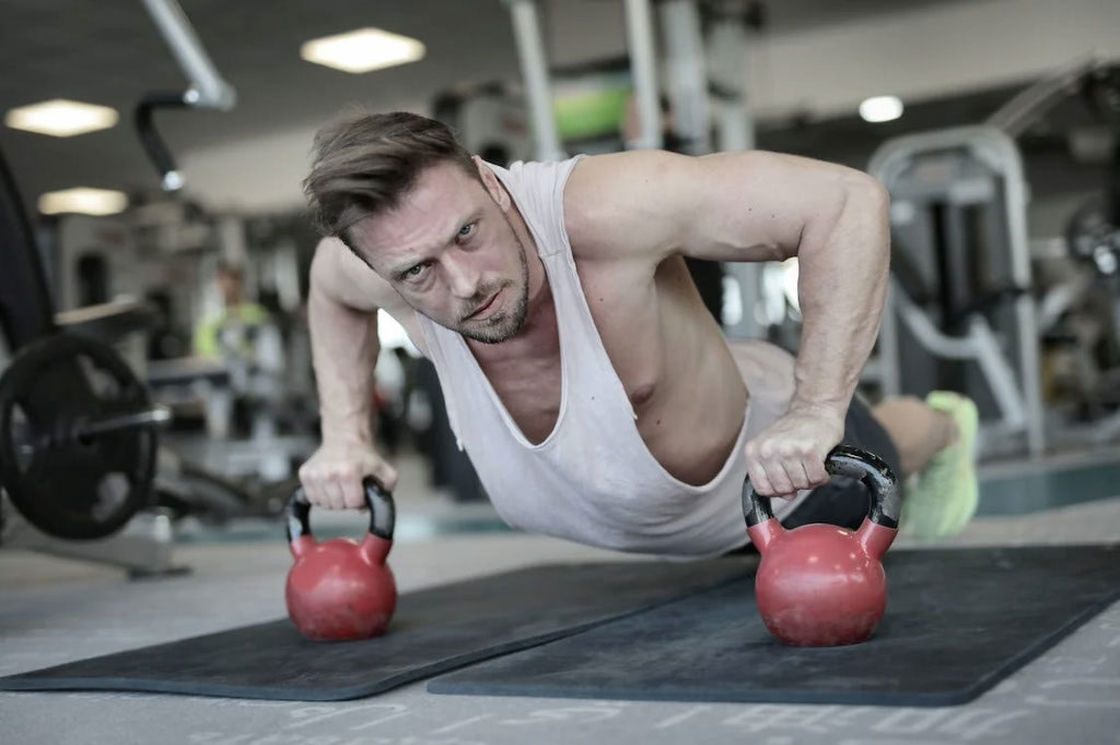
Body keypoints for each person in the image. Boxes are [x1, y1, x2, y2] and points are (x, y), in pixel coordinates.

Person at [297, 110, 979, 557]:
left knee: (891, 445)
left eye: (467, 232)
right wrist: (345, 435)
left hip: (784, 486)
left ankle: (948, 427)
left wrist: (818, 409)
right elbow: (329, 289)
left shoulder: (607, 209)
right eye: (419, 270)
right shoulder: (381, 261)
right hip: (666, 524)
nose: (465, 282)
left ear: (493, 184)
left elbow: (846, 202)